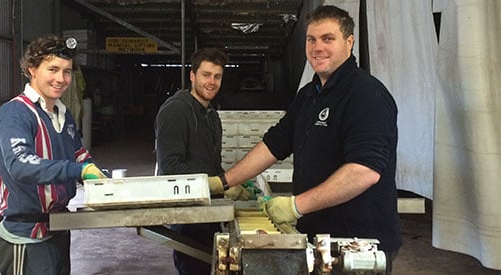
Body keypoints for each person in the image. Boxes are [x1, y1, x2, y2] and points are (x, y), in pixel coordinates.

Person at [208, 5, 402, 274]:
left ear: (349, 42)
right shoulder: (309, 96)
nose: (317, 47)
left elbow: (364, 172)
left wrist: (295, 206)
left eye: (327, 39)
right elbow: (274, 144)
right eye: (311, 39)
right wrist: (224, 181)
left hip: (357, 244)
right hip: (317, 237)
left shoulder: (366, 95)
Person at [0, 34, 108, 275]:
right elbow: (21, 165)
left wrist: (96, 172)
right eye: (53, 69)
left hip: (58, 229)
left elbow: (78, 154)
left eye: (67, 72)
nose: (61, 79)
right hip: (27, 237)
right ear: (32, 70)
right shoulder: (15, 113)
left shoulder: (62, 115)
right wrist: (79, 171)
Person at [154, 48, 250, 275]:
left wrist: (231, 184)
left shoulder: (211, 115)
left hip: (208, 210)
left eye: (217, 76)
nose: (212, 82)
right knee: (193, 267)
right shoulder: (176, 110)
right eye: (206, 75)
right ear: (192, 76)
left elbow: (212, 165)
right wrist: (219, 183)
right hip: (187, 213)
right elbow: (171, 169)